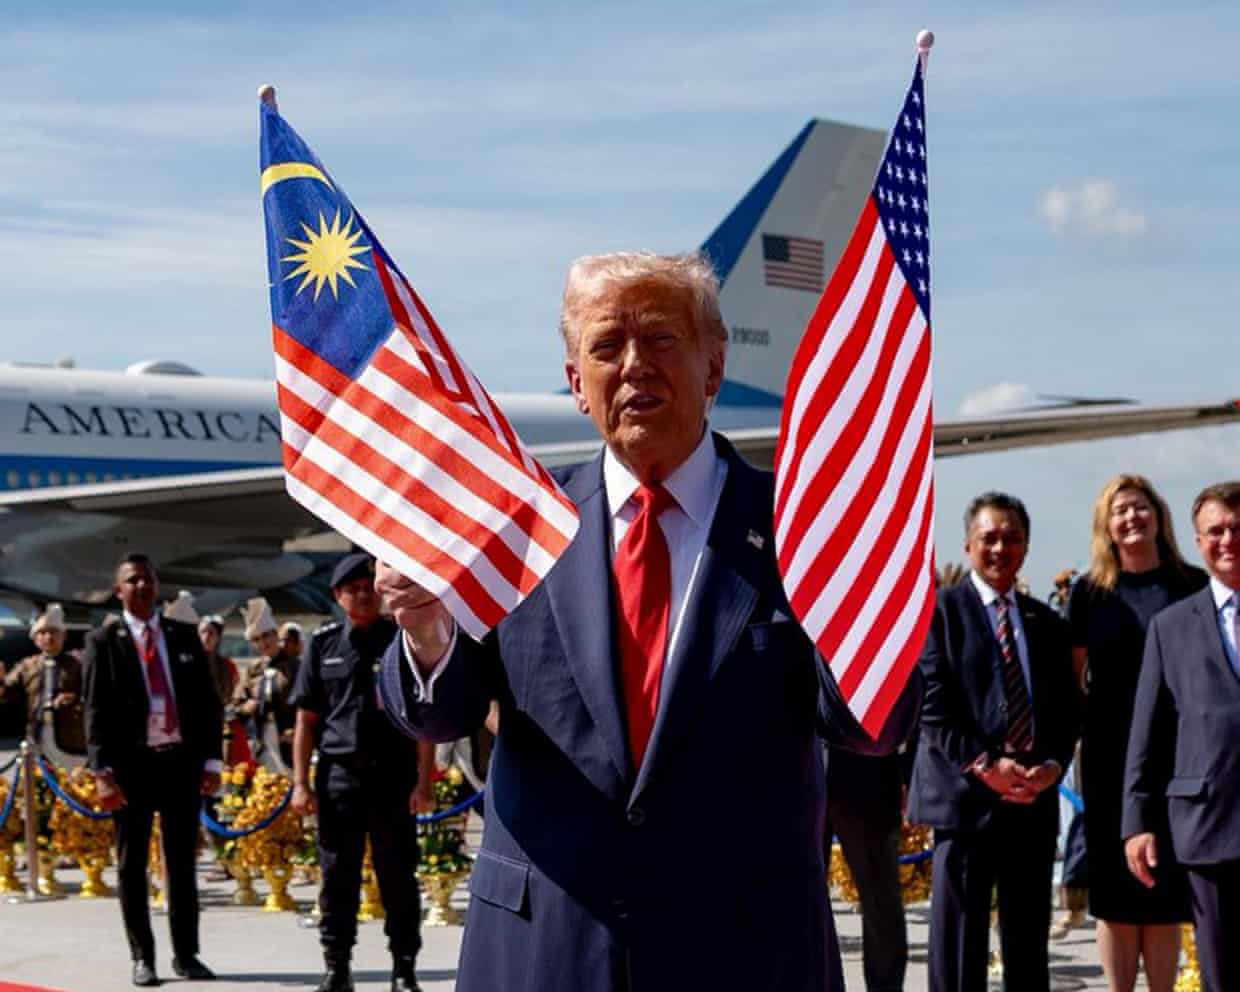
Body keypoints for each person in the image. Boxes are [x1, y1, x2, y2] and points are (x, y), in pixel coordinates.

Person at [372, 250, 923, 992]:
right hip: (545, 952)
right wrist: (426, 630)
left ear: (713, 367)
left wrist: (872, 609)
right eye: (606, 346)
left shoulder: (805, 529)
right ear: (575, 383)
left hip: (746, 953)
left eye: (662, 339)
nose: (634, 365)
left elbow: (869, 729)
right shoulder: (514, 526)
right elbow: (442, 713)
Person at [908, 492, 1080, 992]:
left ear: (1025, 547)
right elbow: (933, 707)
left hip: (1031, 804)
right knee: (960, 951)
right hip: (965, 806)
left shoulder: (1046, 623)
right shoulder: (939, 613)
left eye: (1012, 538)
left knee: (1028, 947)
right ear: (968, 544)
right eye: (989, 537)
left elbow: (1067, 713)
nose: (1000, 547)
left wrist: (1051, 765)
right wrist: (985, 765)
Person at [1068, 475, 1205, 991]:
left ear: (1159, 516)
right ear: (1106, 524)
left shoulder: (1189, 584)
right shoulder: (1090, 593)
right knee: (1116, 891)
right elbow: (1075, 675)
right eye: (1120, 510)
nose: (1131, 518)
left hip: (1177, 754)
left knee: (1163, 890)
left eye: (1140, 507)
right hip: (1109, 756)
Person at [289, 553, 434, 992]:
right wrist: (299, 783)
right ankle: (337, 966)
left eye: (369, 587)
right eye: (352, 590)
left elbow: (423, 721)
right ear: (338, 597)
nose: (363, 595)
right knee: (337, 877)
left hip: (392, 776)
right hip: (338, 779)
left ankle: (404, 968)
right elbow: (306, 721)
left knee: (398, 876)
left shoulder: (401, 640)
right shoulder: (324, 643)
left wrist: (424, 782)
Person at [82, 553, 222, 987]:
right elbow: (95, 711)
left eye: (147, 579)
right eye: (131, 580)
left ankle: (187, 954)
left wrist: (212, 760)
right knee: (131, 864)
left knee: (181, 864)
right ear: (118, 590)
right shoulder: (103, 642)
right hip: (132, 768)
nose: (141, 586)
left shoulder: (183, 637)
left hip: (179, 763)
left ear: (157, 585)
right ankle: (143, 957)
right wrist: (102, 772)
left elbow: (206, 703)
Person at [1124, 481, 1240, 992]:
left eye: (1238, 529)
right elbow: (1147, 734)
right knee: (1220, 973)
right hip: (1208, 824)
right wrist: (1137, 822)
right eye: (1216, 530)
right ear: (1197, 540)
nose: (1228, 539)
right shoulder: (1171, 627)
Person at [824, 745, 910, 992]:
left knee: (880, 902)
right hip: (802, 769)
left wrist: (908, 770)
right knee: (799, 900)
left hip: (869, 773)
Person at [0, 603, 86, 755]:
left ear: (63, 636)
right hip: (37, 736)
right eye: (42, 633)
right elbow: (7, 691)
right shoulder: (27, 666)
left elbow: (91, 695)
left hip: (71, 740)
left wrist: (74, 699)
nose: (48, 637)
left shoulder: (77, 664)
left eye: (53, 632)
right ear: (35, 639)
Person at [236, 597, 299, 768]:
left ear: (275, 634)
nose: (263, 643)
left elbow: (307, 701)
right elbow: (237, 704)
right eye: (256, 639)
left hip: (291, 738)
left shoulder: (295, 666)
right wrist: (247, 707)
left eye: (266, 636)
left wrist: (297, 728)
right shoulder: (253, 670)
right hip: (262, 738)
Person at [197, 614, 254, 770]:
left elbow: (234, 694)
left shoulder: (227, 666)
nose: (206, 637)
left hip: (223, 721)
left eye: (211, 633)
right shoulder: (189, 662)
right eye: (203, 632)